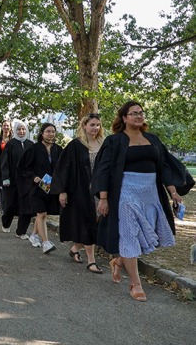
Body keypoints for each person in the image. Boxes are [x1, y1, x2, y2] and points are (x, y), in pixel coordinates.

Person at [91, 101, 193, 301]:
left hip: (150, 193)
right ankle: (135, 284)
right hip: (125, 192)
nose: (138, 116)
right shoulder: (115, 141)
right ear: (124, 117)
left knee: (144, 235)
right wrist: (103, 198)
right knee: (129, 234)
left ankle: (119, 262)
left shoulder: (152, 140)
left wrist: (173, 192)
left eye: (141, 113)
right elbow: (102, 169)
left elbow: (164, 167)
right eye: (133, 113)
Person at [51, 114, 104, 273]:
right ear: (84, 126)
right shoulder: (75, 145)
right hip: (80, 191)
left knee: (95, 224)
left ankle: (75, 249)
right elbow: (63, 168)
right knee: (89, 224)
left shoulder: (103, 144)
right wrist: (62, 191)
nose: (95, 128)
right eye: (92, 125)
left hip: (99, 192)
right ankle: (91, 261)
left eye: (98, 125)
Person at [18, 122, 62, 254]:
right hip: (36, 187)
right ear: (42, 133)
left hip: (50, 186)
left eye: (53, 131)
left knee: (44, 214)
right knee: (41, 214)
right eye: (48, 131)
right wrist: (33, 177)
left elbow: (62, 167)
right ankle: (46, 243)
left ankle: (34, 235)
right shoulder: (33, 148)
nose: (51, 134)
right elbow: (23, 167)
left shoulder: (58, 149)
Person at [0, 120, 34, 238]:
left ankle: (21, 231)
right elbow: (4, 162)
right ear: (15, 131)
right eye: (19, 129)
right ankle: (6, 223)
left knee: (26, 206)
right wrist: (5, 177)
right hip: (12, 181)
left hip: (27, 182)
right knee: (11, 204)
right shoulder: (11, 144)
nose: (21, 131)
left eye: (23, 129)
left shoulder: (31, 144)